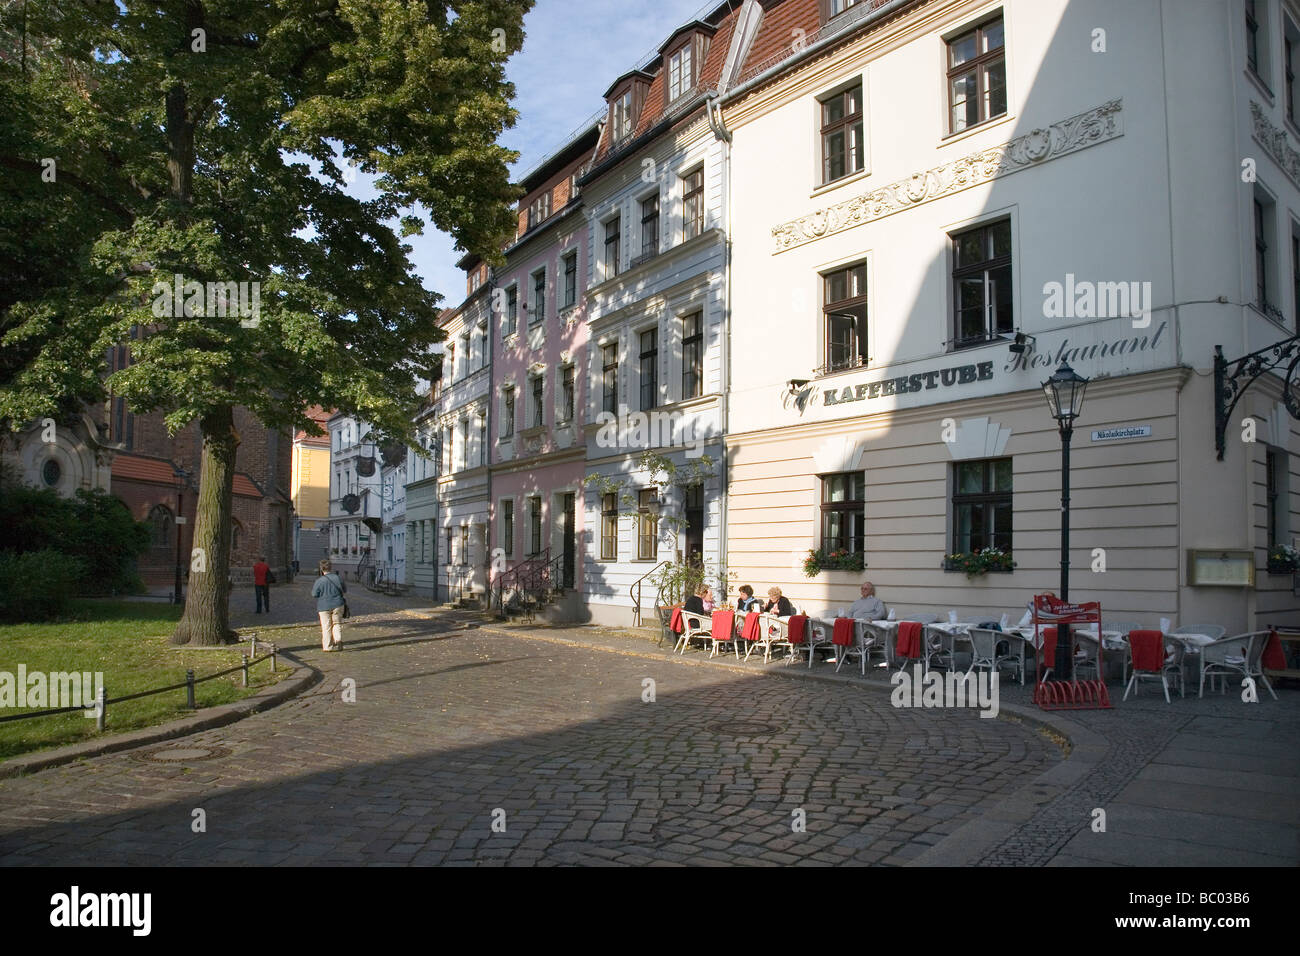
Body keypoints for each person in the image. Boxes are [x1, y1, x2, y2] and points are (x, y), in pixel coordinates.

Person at [311, 558, 347, 651]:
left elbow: (314, 594)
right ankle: (338, 639)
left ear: (321, 569)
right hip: (338, 604)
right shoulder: (338, 578)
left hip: (324, 606)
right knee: (336, 623)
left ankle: (328, 646)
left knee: (326, 626)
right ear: (331, 568)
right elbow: (344, 590)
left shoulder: (319, 581)